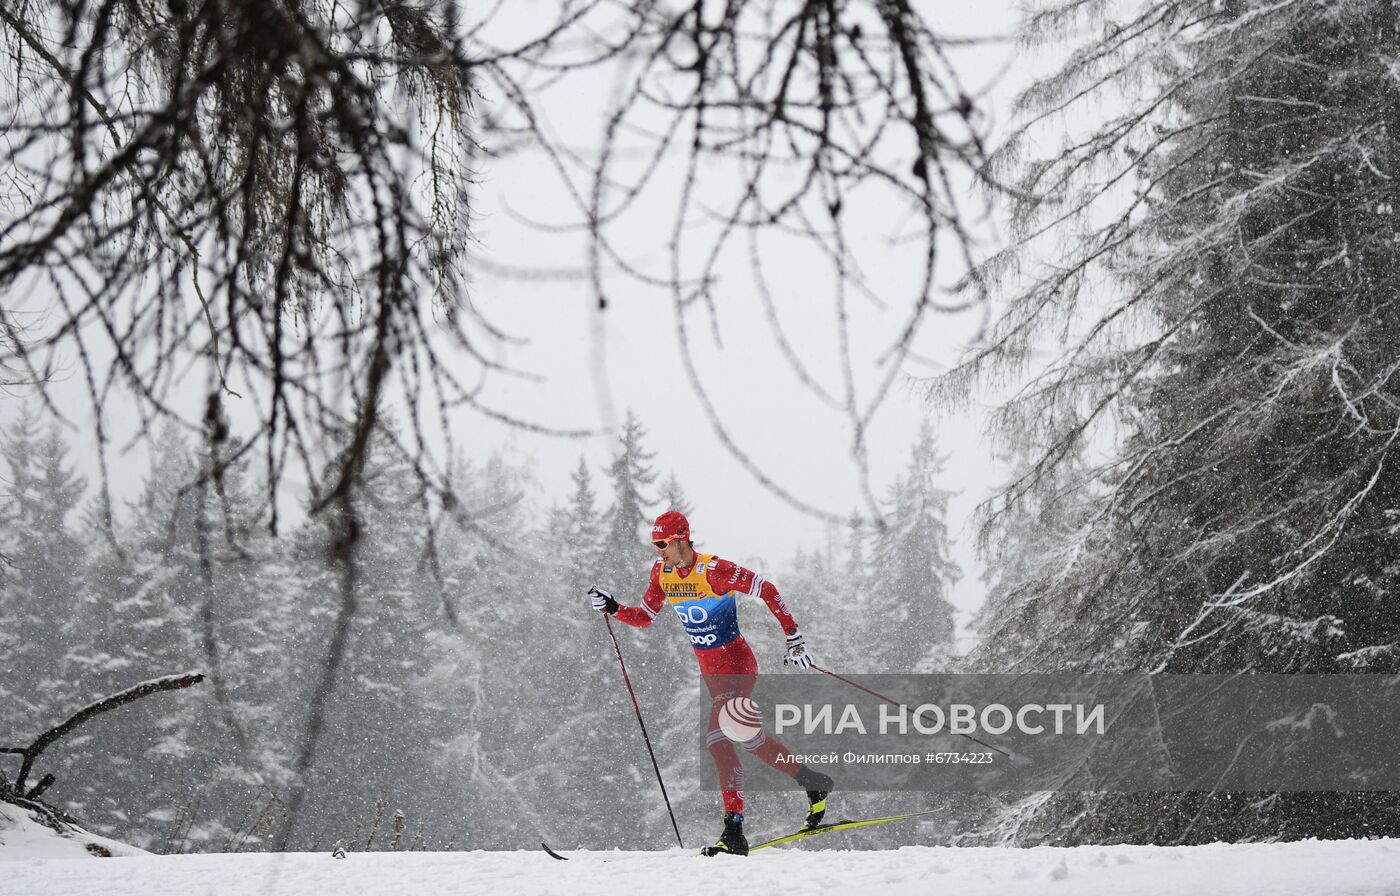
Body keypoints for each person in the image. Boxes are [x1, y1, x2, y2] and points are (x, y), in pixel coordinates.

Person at [588, 509, 834, 856]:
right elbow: (645, 617)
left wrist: (794, 639)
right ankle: (813, 784)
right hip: (713, 675)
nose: (658, 551)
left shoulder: (714, 570)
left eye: (662, 543)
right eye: (654, 544)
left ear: (681, 539)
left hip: (737, 664)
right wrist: (613, 607)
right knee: (751, 741)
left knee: (718, 741)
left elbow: (767, 588)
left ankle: (734, 831)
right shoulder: (662, 572)